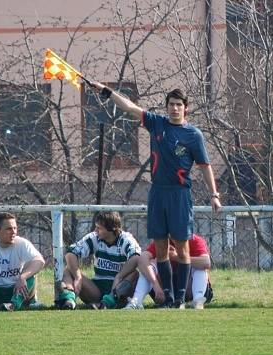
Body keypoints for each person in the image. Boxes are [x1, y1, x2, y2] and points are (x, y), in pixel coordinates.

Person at [89, 82, 221, 308]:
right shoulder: (157, 123)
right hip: (157, 193)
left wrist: (214, 194)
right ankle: (167, 298)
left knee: (181, 248)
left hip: (180, 195)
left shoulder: (193, 135)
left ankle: (180, 298)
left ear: (185, 108)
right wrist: (106, 91)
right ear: (166, 107)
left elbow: (205, 166)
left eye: (179, 105)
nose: (175, 108)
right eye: (171, 104)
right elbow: (130, 107)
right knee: (160, 248)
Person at [56, 211, 143, 310]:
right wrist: (78, 277)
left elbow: (136, 257)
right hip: (96, 289)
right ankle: (69, 301)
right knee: (68, 269)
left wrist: (119, 276)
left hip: (118, 287)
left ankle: (109, 302)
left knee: (134, 273)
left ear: (112, 228)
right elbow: (70, 254)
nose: (95, 230)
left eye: (99, 228)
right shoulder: (95, 237)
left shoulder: (125, 239)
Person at [124, 234, 213, 310]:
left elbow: (206, 262)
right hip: (165, 289)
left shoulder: (194, 240)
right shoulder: (163, 241)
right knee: (150, 266)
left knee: (200, 267)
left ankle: (198, 301)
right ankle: (137, 301)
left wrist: (176, 257)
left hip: (190, 288)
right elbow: (142, 259)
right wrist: (156, 286)